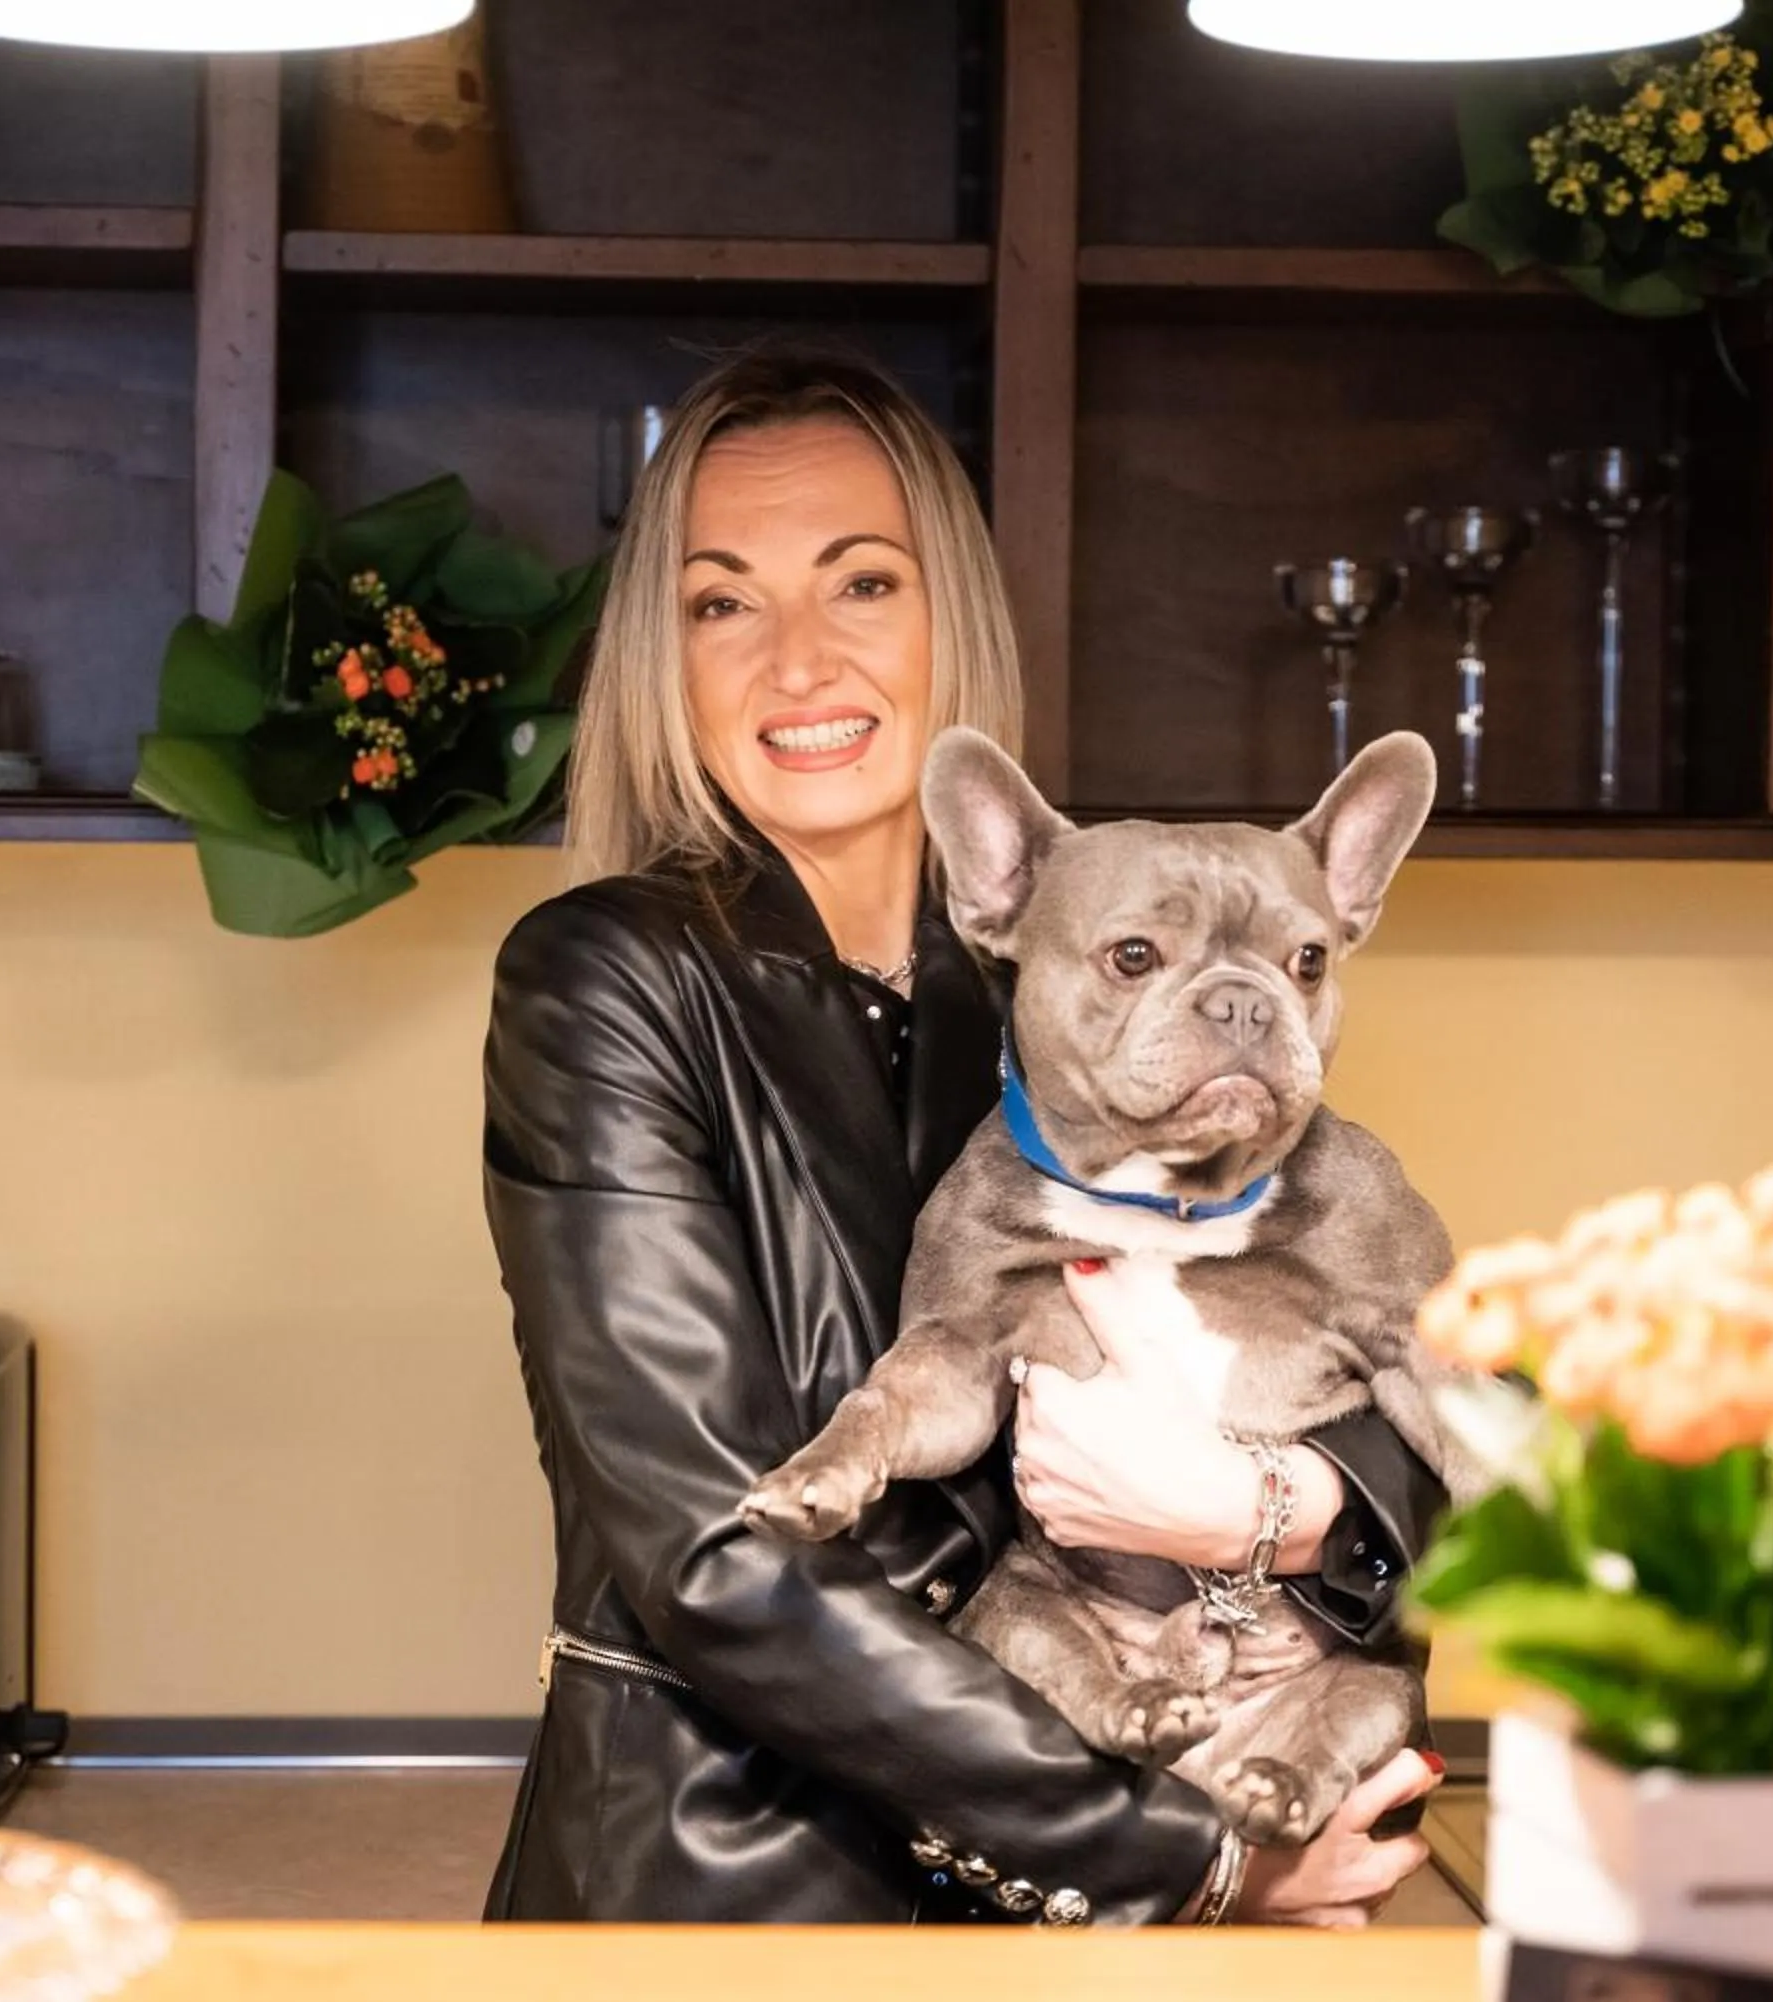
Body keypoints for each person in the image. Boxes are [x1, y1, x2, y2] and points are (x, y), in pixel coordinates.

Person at [480, 349, 1447, 1926]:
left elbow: (1378, 1358)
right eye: (723, 602)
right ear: (665, 651)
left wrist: (1282, 1513)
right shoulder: (605, 979)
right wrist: (1189, 1852)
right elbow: (717, 1556)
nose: (798, 659)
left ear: (951, 622)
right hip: (738, 1890)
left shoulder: (1074, 976)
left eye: (860, 582)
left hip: (1051, 1892)